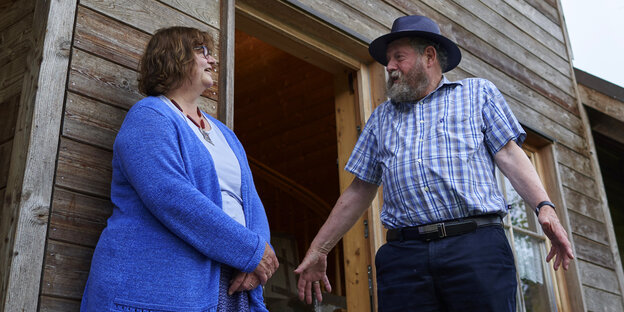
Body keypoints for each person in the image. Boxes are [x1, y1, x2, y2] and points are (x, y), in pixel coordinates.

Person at [294, 15, 574, 311]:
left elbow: (509, 153)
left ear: (429, 56)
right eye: (388, 60)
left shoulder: (477, 93)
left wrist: (545, 207)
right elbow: (359, 189)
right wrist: (319, 248)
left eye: (398, 57)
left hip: (475, 247)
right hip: (404, 258)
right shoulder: (380, 118)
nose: (389, 67)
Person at [81, 26, 278, 312]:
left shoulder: (226, 134)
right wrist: (249, 251)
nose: (212, 60)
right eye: (202, 52)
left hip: (229, 276)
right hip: (156, 286)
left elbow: (251, 201)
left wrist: (258, 255)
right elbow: (169, 195)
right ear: (173, 57)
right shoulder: (149, 115)